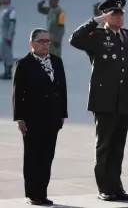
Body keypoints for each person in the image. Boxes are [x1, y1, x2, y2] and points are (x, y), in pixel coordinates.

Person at [69, 0, 128, 201]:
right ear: (106, 16)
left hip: (125, 99)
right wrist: (96, 21)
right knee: (105, 146)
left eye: (120, 14)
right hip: (104, 99)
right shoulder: (97, 36)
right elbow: (75, 39)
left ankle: (116, 186)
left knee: (118, 146)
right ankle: (105, 188)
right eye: (114, 14)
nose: (119, 17)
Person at [13, 28, 68, 205]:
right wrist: (19, 118)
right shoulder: (24, 63)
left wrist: (62, 115)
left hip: (52, 118)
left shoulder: (57, 62)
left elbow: (62, 90)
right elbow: (18, 93)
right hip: (32, 119)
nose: (45, 45)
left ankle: (42, 192)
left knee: (47, 156)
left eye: (48, 41)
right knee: (32, 156)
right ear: (32, 44)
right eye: (41, 41)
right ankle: (32, 194)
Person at [0, 0, 16, 79]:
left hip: (7, 36)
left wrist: (10, 37)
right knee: (3, 53)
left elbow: (12, 25)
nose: (1, 0)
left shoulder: (11, 10)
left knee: (8, 54)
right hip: (2, 35)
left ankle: (8, 72)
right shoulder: (2, 8)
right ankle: (5, 70)